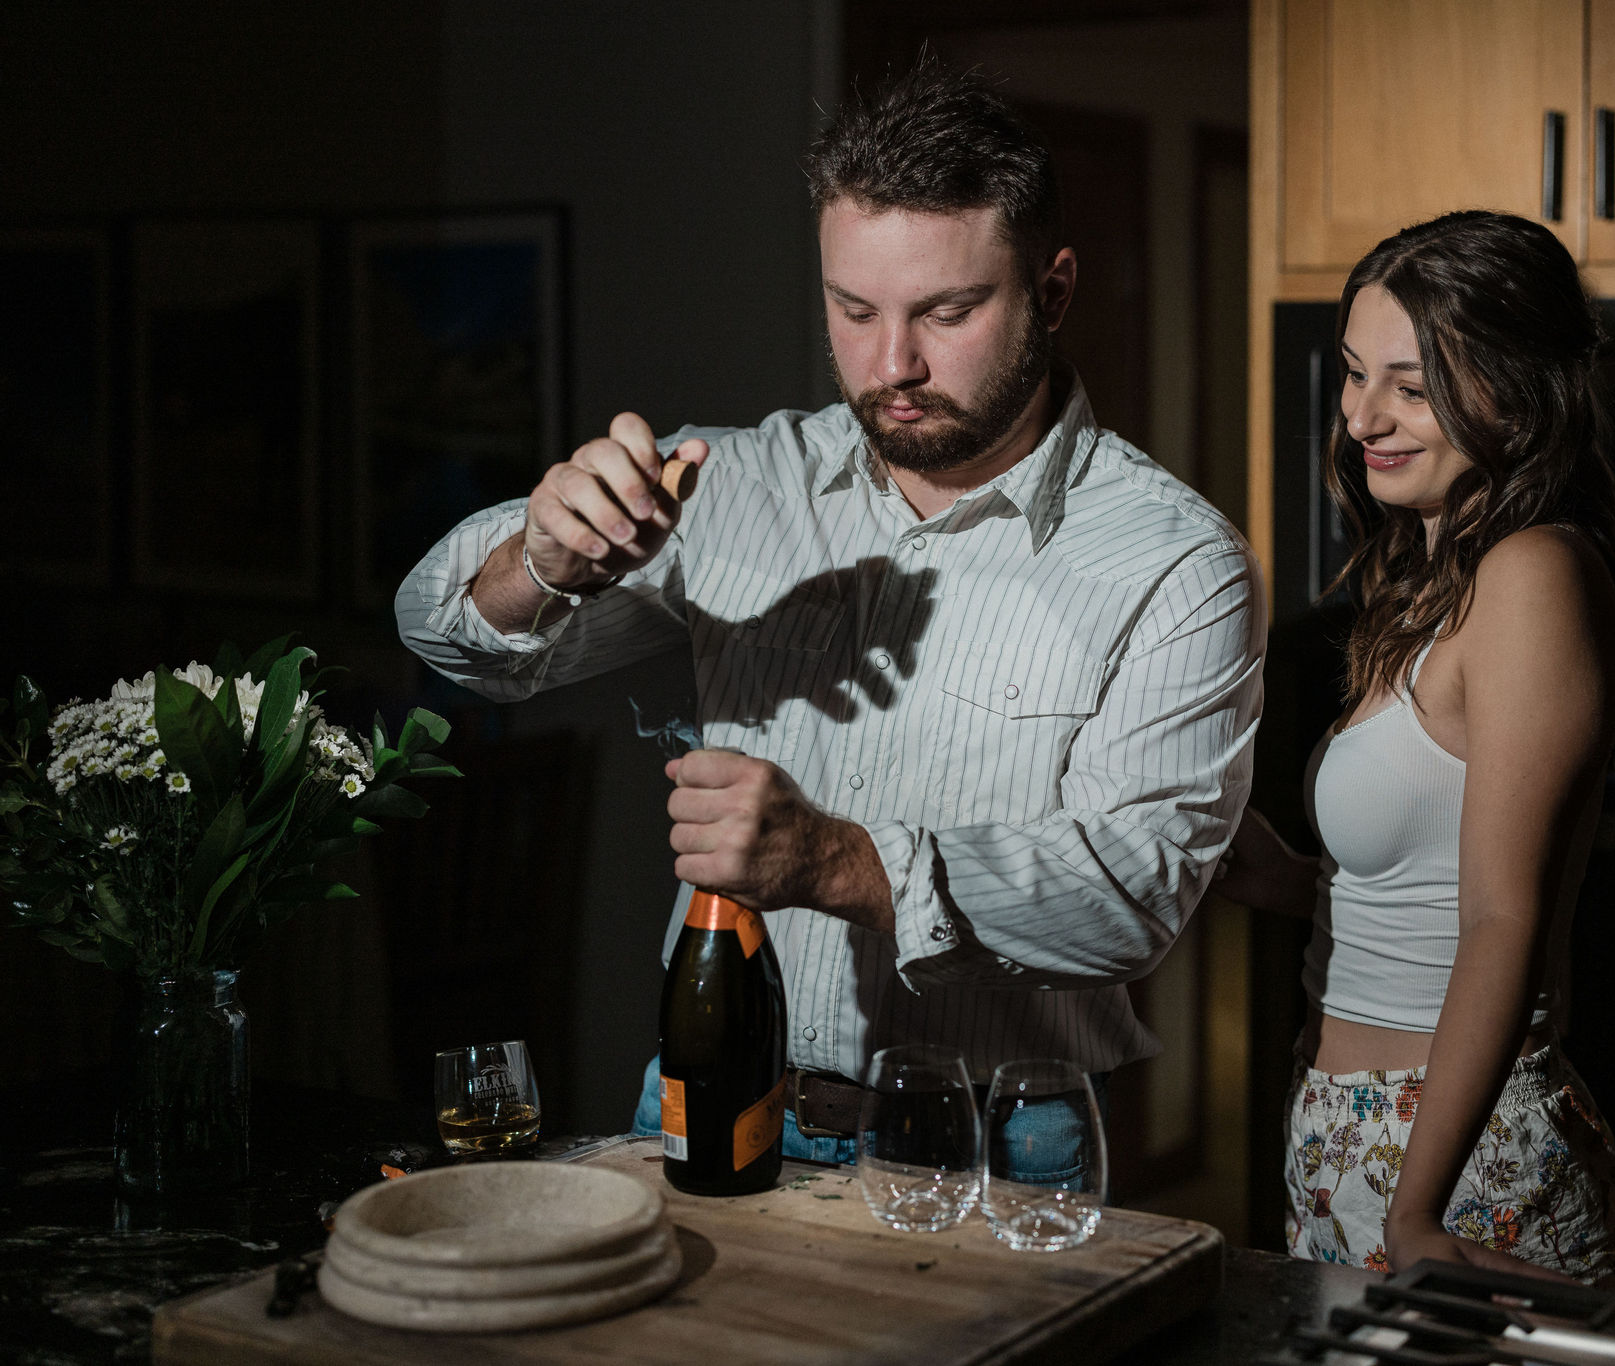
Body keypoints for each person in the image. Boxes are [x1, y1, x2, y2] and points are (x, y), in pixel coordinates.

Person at [396, 61, 1263, 1164]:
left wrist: (840, 860)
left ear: (1050, 291)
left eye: (947, 311)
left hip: (991, 1142)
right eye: (853, 310)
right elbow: (447, 636)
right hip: (705, 1094)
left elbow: (1127, 896)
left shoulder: (1176, 562)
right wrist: (544, 558)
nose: (890, 364)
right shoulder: (735, 482)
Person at [1214, 210, 1615, 1285]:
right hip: (1344, 1137)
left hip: (1455, 1161)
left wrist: (1414, 1209)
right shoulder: (1422, 584)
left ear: (1515, 389)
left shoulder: (1533, 573)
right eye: (1355, 374)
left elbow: (1504, 917)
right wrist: (1294, 882)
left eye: (1409, 387)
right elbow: (1423, 886)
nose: (1362, 416)